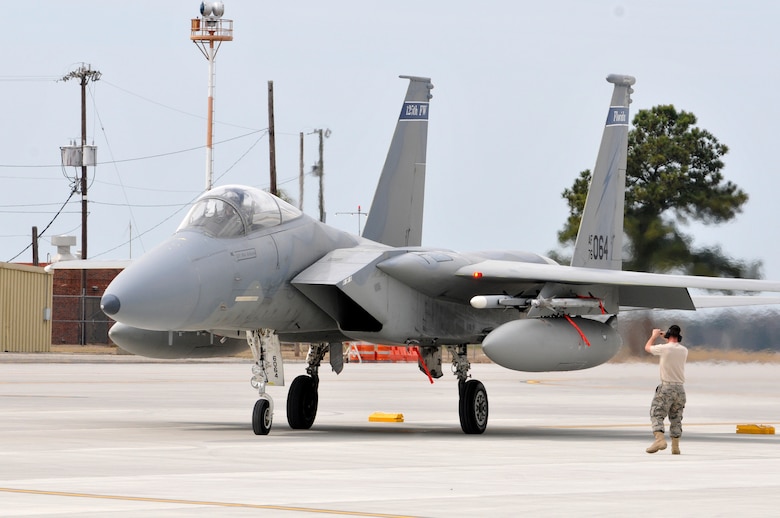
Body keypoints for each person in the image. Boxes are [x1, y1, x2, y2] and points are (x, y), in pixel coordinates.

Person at [644, 324, 688, 454]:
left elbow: (647, 348)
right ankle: (675, 447)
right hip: (680, 389)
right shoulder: (684, 350)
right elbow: (673, 346)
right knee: (676, 417)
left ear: (669, 336)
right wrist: (666, 338)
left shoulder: (664, 349)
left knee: (656, 413)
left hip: (667, 387)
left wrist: (654, 336)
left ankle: (660, 440)